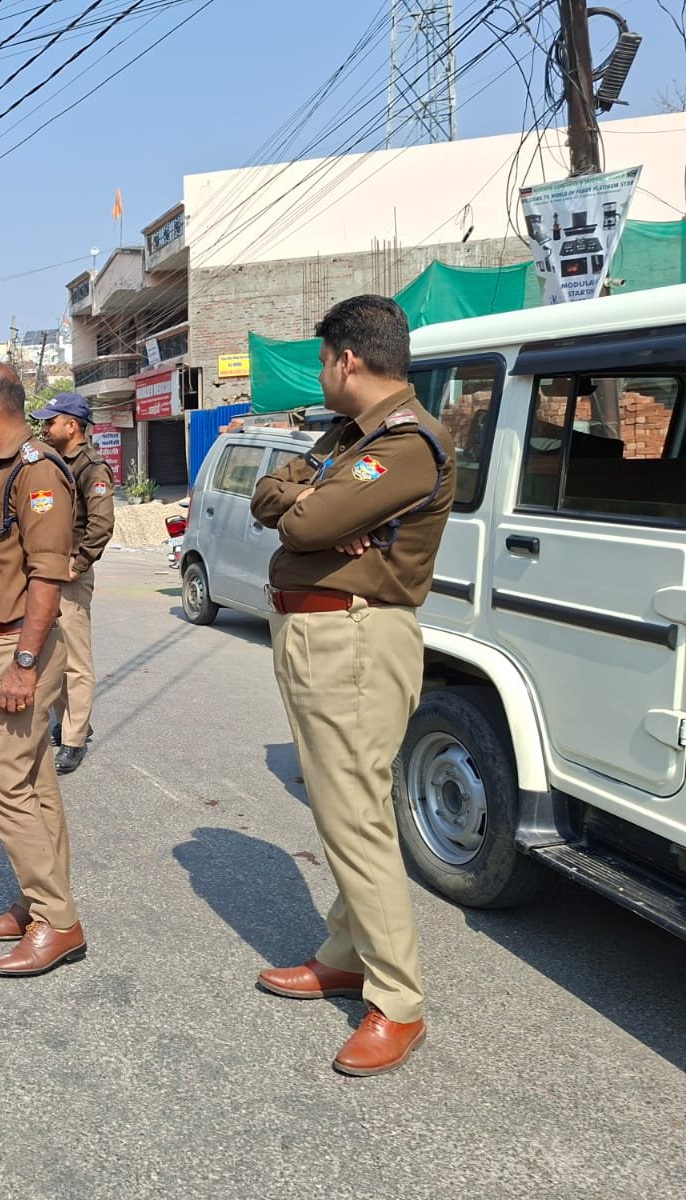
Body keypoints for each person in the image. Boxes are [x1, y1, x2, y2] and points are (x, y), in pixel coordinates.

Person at [250, 294, 456, 1077]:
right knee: (345, 809)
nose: (320, 375)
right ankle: (345, 953)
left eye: (322, 362)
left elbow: (300, 524)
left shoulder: (406, 444)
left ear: (347, 359)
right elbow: (270, 496)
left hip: (356, 640)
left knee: (354, 819)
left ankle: (398, 1002)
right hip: (319, 635)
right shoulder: (346, 437)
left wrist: (311, 507)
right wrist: (312, 502)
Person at [0, 362, 84, 977]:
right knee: (33, 782)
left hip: (17, 647)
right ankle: (40, 906)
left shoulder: (37, 473)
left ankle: (58, 922)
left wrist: (24, 664)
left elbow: (47, 577)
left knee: (1, 784)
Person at [32, 392, 115, 774]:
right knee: (50, 654)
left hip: (69, 574)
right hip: (45, 571)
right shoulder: (53, 462)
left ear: (72, 425)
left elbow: (101, 523)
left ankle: (74, 739)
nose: (45, 428)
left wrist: (78, 564)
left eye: (51, 422)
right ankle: (70, 720)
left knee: (75, 662)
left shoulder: (91, 467)